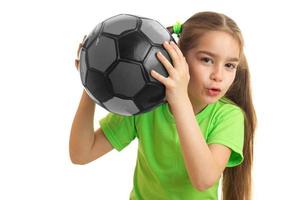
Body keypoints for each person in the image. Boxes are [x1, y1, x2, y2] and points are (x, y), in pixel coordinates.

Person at [70, 11, 257, 200]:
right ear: (178, 56)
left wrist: (179, 99)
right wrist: (92, 81)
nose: (218, 75)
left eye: (229, 65)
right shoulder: (145, 102)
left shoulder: (228, 116)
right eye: (206, 60)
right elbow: (81, 153)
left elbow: (203, 179)